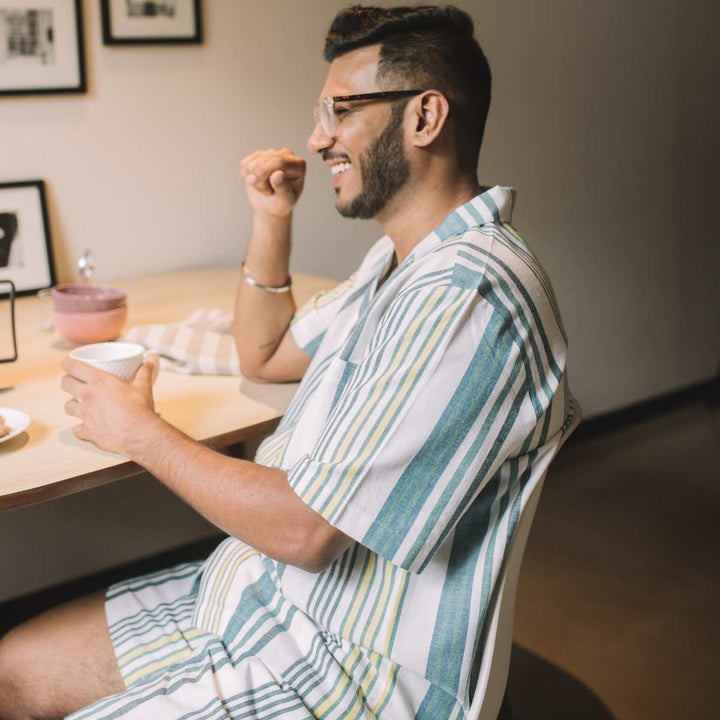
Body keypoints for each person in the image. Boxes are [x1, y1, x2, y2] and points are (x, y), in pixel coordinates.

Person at [0, 5, 577, 718]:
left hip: (341, 667)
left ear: (425, 117)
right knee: (10, 673)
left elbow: (306, 532)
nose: (317, 136)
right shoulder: (400, 266)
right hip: (257, 595)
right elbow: (266, 353)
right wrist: (271, 218)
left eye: (340, 109)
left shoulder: (467, 296)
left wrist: (139, 432)